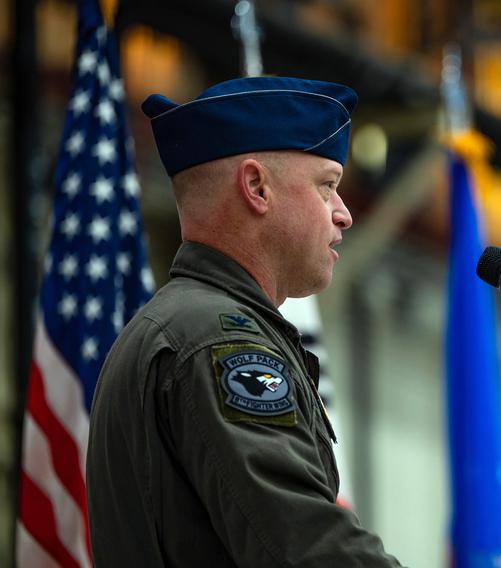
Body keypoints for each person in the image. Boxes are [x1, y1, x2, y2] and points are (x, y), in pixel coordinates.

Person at [86, 76, 402, 567]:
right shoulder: (218, 341)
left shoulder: (185, 324)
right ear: (256, 187)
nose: (344, 215)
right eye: (327, 187)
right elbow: (306, 546)